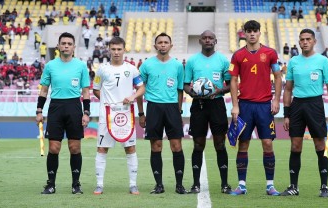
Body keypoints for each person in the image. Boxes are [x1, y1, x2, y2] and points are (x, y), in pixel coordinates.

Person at [280, 28, 328, 197]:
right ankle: (293, 187)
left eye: (308, 39)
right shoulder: (293, 62)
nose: (305, 42)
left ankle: (324, 187)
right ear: (299, 42)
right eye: (302, 39)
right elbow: (288, 90)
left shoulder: (322, 61)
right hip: (297, 105)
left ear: (314, 41)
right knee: (295, 146)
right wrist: (287, 114)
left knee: (320, 145)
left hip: (315, 104)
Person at [229, 20, 282, 196]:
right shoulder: (237, 55)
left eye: (255, 31)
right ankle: (242, 185)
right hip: (244, 105)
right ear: (244, 33)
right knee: (243, 143)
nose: (252, 34)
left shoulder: (270, 53)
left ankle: (270, 185)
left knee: (267, 143)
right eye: (248, 31)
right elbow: (234, 80)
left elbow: (278, 76)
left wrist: (276, 100)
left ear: (260, 32)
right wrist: (235, 105)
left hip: (264, 106)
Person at [36, 32, 91, 194]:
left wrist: (86, 112)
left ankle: (76, 184)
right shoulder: (50, 66)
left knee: (75, 147)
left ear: (74, 47)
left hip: (74, 107)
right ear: (58, 46)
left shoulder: (81, 66)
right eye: (63, 43)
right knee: (54, 148)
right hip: (56, 108)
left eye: (69, 43)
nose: (66, 46)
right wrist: (39, 110)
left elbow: (86, 92)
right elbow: (44, 91)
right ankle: (51, 184)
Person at [92, 37, 145, 195]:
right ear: (109, 49)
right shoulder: (102, 69)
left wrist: (132, 97)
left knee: (130, 148)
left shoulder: (132, 69)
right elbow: (95, 88)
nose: (116, 52)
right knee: (102, 149)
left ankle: (133, 185)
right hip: (106, 115)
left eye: (119, 49)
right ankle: (99, 184)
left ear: (124, 50)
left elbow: (142, 88)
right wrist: (107, 100)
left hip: (126, 115)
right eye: (113, 49)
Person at [137, 32, 187, 194]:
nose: (163, 44)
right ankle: (159, 185)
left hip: (172, 108)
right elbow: (140, 89)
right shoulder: (146, 65)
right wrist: (141, 113)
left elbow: (180, 90)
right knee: (156, 146)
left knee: (176, 146)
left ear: (171, 46)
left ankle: (179, 185)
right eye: (160, 42)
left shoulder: (178, 66)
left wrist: (179, 111)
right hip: (153, 108)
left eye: (166, 42)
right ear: (155, 46)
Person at [183, 30, 232, 194]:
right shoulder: (192, 61)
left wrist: (220, 90)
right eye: (204, 38)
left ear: (215, 41)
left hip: (217, 104)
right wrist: (192, 92)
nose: (207, 40)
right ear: (200, 41)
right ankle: (196, 184)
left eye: (210, 38)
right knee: (198, 144)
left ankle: (224, 184)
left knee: (220, 143)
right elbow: (185, 84)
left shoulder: (223, 60)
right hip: (199, 105)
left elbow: (230, 84)